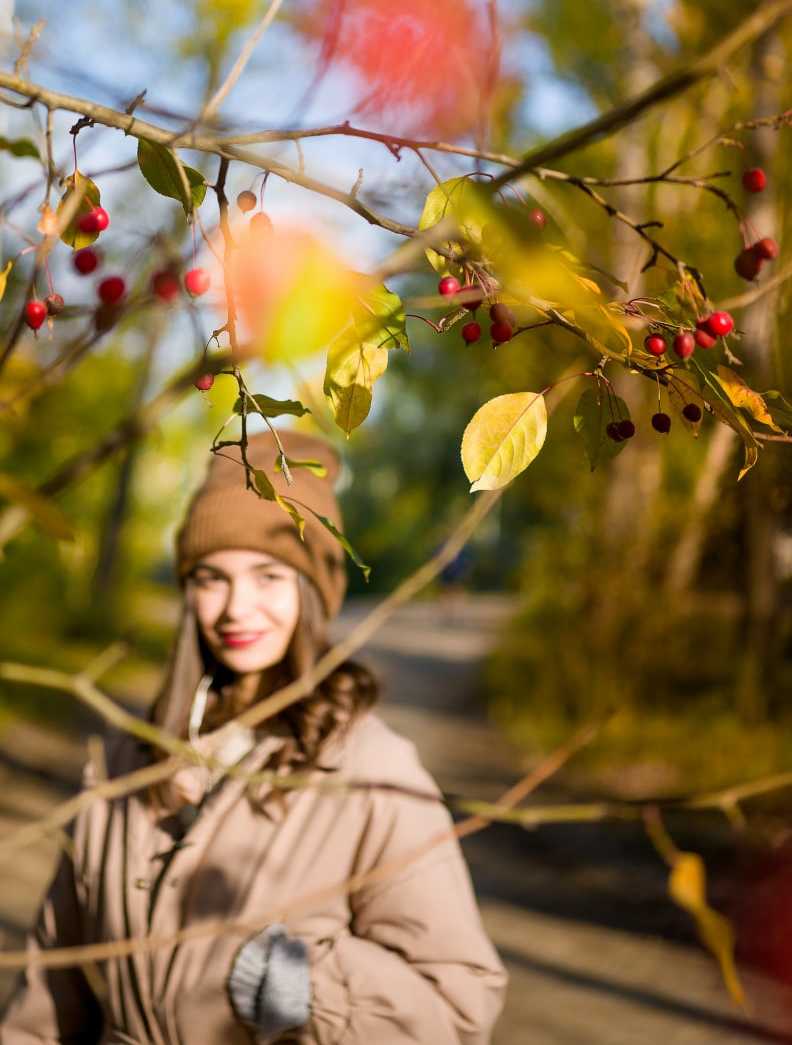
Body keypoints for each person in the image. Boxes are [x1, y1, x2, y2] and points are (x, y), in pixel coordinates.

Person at [1, 430, 508, 1044]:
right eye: (212, 578)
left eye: (269, 576)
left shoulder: (373, 771)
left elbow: (458, 1007)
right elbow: (47, 1000)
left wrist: (315, 984)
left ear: (311, 591)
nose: (237, 607)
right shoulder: (123, 759)